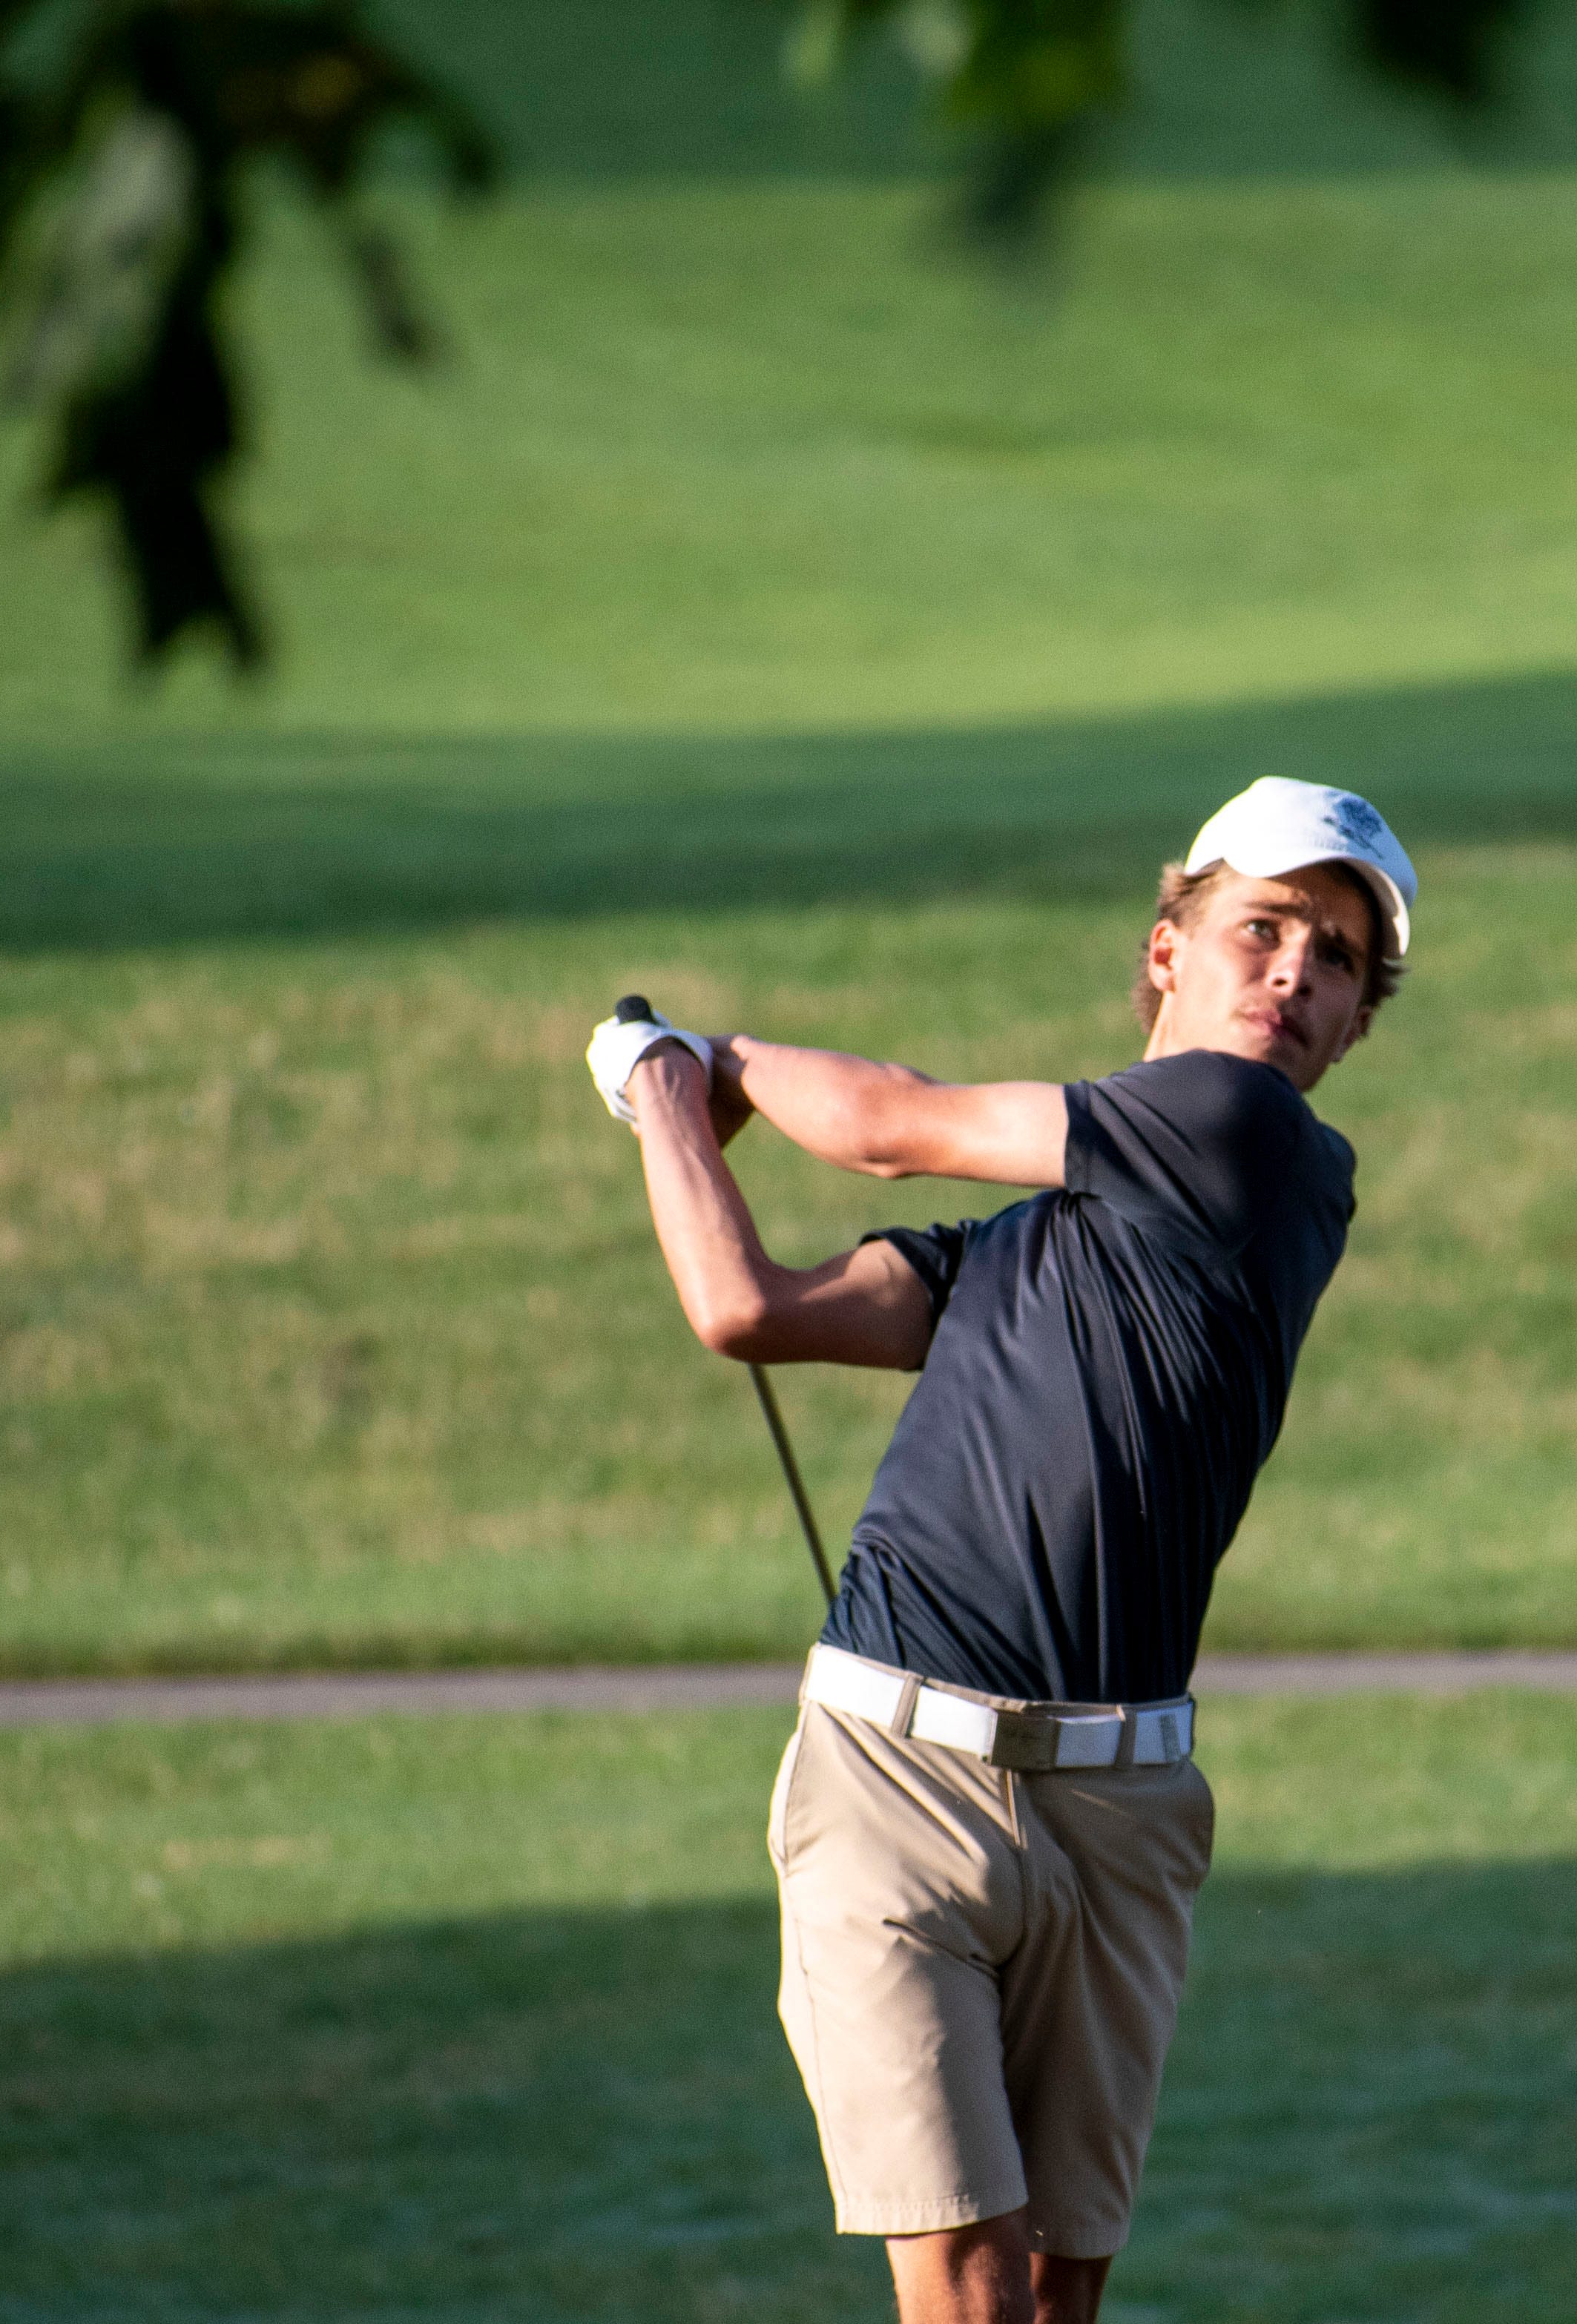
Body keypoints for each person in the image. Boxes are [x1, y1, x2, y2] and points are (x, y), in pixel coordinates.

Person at [585, 778, 1418, 2324]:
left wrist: (711, 1060)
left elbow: (893, 1128)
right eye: (1260, 929)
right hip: (895, 1779)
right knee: (968, 2286)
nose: (1295, 974)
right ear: (1165, 946)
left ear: (1359, 1021)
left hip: (1119, 1807)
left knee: (1051, 2297)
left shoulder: (1258, 1142)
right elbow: (742, 1306)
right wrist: (662, 1107)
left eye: (1340, 959)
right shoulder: (1016, 1252)